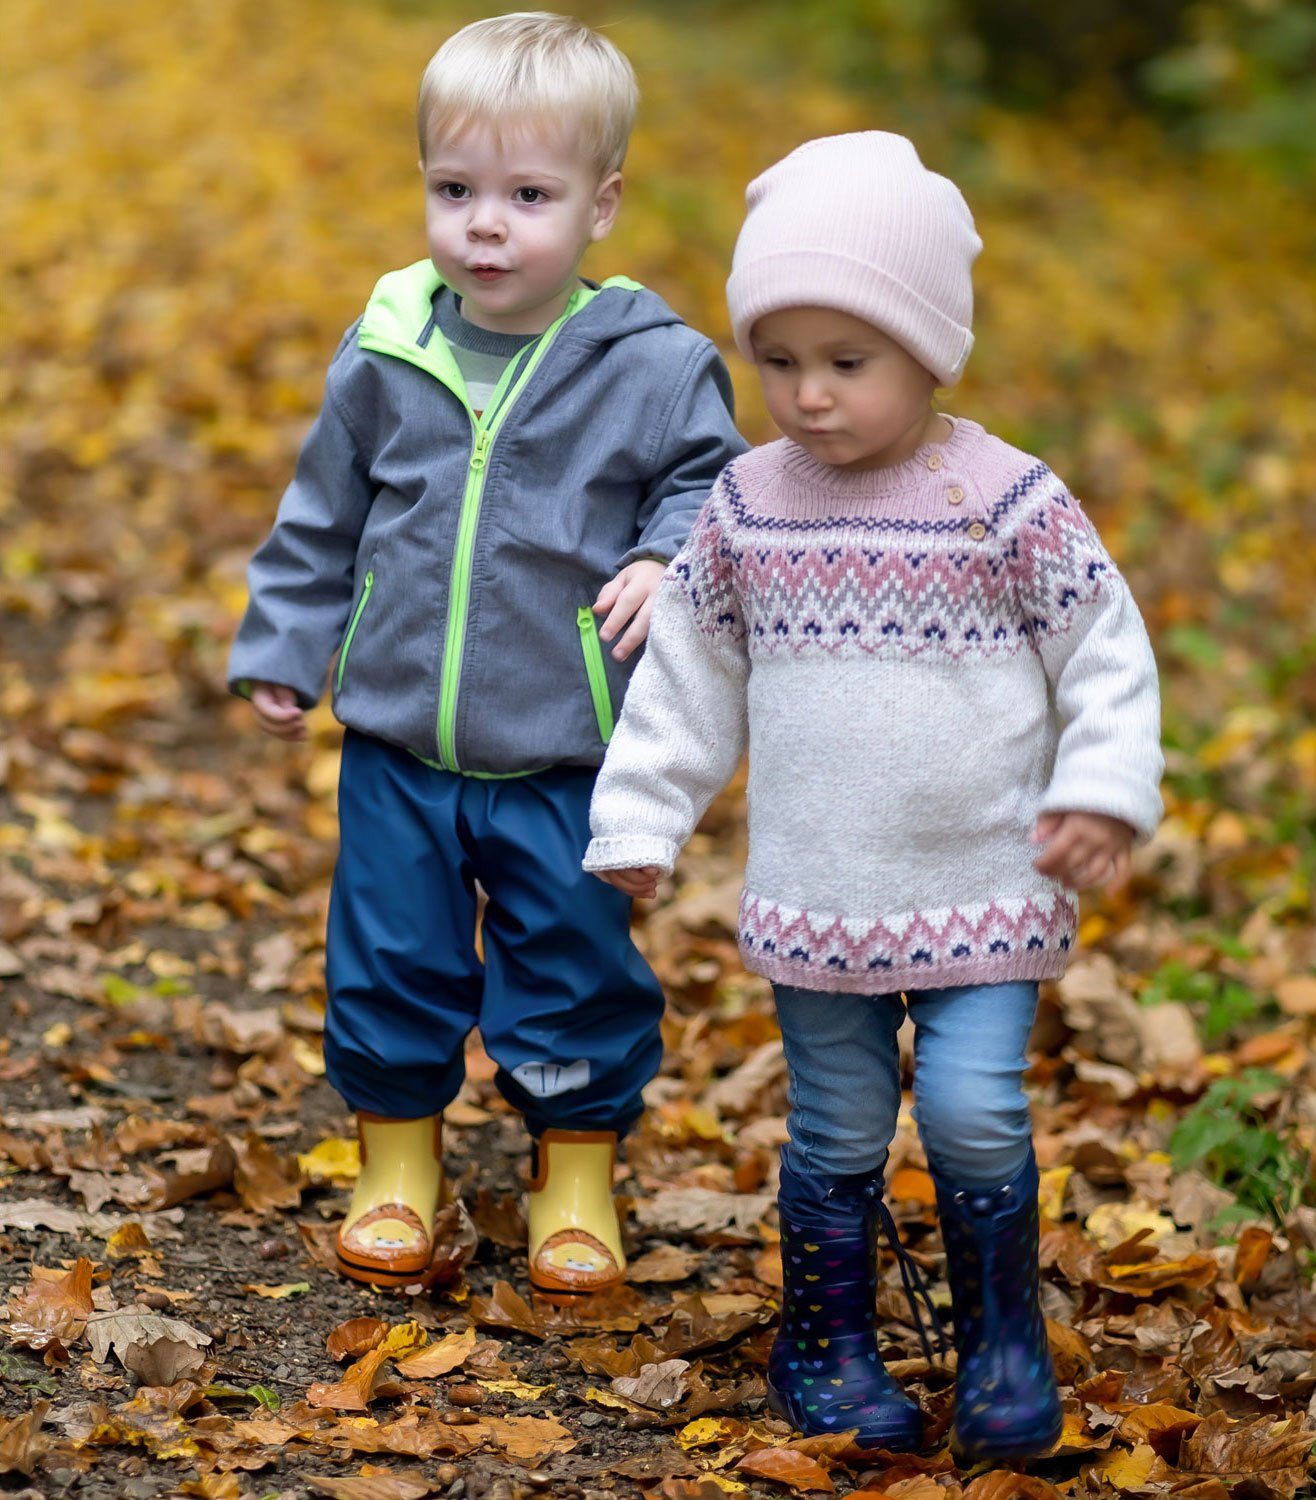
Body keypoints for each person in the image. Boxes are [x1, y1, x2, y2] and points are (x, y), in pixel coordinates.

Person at [584, 132, 1163, 1457]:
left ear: (930, 351)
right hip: (823, 889)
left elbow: (1106, 650)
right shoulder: (743, 507)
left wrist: (1105, 790)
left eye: (849, 362)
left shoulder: (1003, 501)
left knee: (970, 1111)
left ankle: (1001, 1341)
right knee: (838, 1126)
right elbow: (687, 676)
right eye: (778, 361)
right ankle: (829, 1346)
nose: (809, 396)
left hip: (982, 884)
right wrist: (642, 816)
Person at [227, 11, 744, 1297]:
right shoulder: (392, 348)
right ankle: (398, 1159)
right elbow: (324, 514)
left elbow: (712, 489)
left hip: (567, 751)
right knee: (389, 951)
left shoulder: (654, 368)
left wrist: (664, 557)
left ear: (601, 204)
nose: (484, 227)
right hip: (401, 741)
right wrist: (289, 640)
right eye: (454, 191)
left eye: (528, 195)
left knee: (569, 965)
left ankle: (573, 1171)